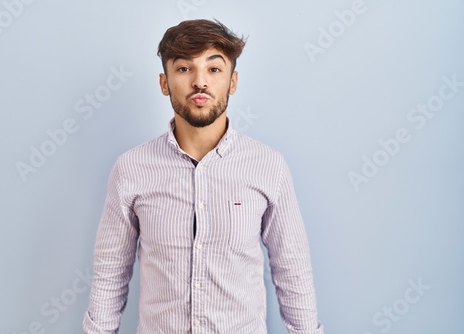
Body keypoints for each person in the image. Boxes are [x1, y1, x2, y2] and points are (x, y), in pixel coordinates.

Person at [83, 19, 323, 334]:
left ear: (232, 82)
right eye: (184, 69)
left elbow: (292, 271)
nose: (200, 82)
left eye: (214, 69)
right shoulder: (131, 168)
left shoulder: (268, 166)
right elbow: (111, 273)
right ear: (164, 83)